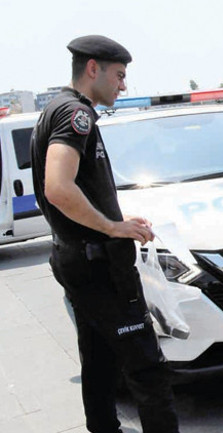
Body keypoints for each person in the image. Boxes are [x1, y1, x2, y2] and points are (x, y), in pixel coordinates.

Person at [30, 35, 180, 433]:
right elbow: (58, 188)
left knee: (99, 361)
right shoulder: (74, 114)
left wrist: (115, 216)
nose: (123, 85)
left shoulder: (55, 110)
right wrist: (113, 227)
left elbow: (76, 189)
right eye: (119, 75)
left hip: (78, 257)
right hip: (98, 265)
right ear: (93, 69)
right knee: (148, 368)